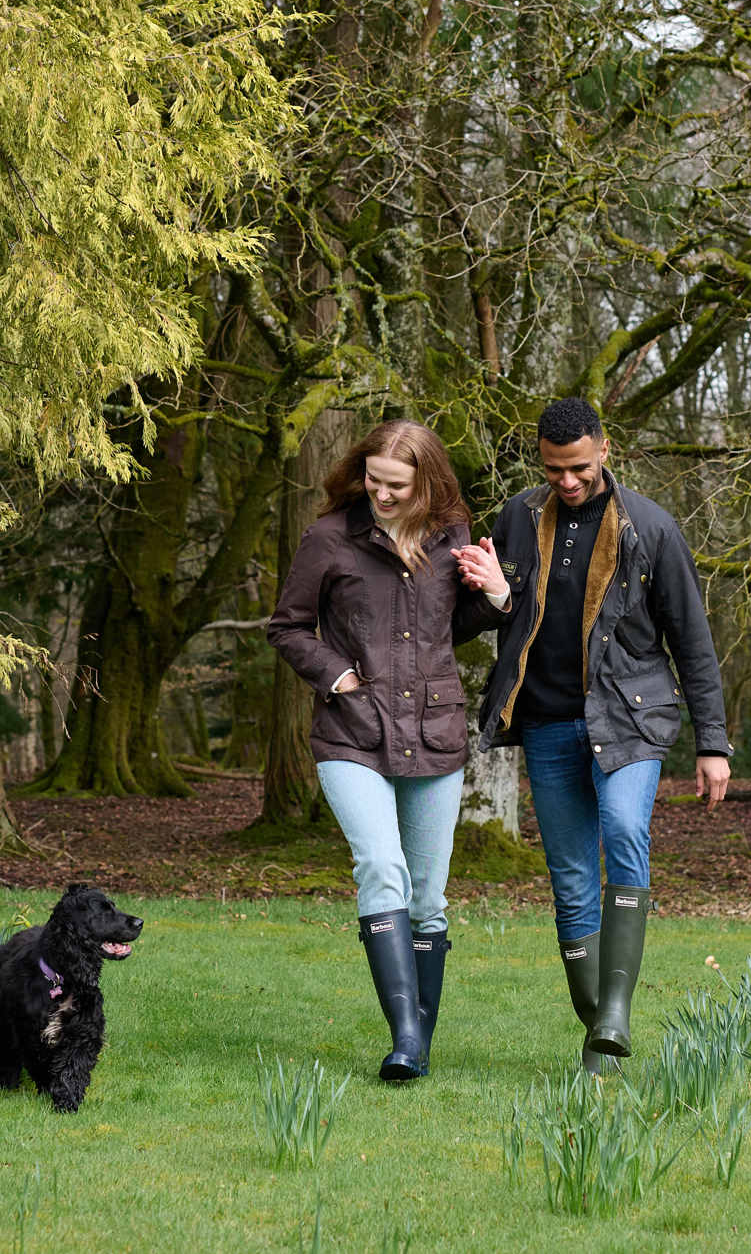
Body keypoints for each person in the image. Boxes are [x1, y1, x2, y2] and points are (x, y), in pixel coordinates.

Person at [454, 398, 730, 1073]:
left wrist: (713, 742)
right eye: (553, 470)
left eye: (578, 466)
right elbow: (470, 620)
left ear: (604, 449)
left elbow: (691, 641)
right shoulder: (517, 518)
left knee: (625, 829)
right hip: (547, 721)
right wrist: (492, 593)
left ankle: (616, 1010)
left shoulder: (651, 529)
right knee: (571, 877)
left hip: (632, 720)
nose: (567, 481)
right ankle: (597, 1029)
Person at [267, 419, 508, 1081]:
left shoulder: (451, 533)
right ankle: (404, 1034)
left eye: (396, 484)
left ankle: (417, 1046)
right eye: (373, 479)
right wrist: (333, 673)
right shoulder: (328, 539)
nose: (382, 493)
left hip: (434, 733)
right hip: (352, 730)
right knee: (380, 865)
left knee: (427, 899)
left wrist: (496, 592)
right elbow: (287, 627)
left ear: (425, 482)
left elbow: (449, 629)